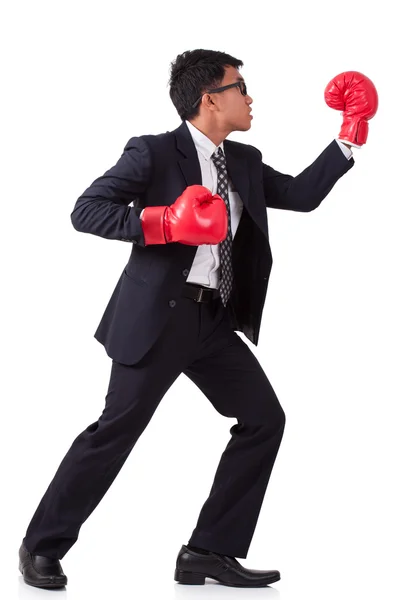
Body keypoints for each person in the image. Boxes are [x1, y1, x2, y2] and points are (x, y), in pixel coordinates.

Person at [18, 49, 378, 589]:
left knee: (263, 421)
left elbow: (302, 196)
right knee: (115, 431)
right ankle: (40, 546)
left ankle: (208, 550)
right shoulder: (154, 153)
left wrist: (349, 134)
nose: (250, 96)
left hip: (213, 321)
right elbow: (85, 209)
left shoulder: (247, 162)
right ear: (210, 98)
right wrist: (163, 221)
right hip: (159, 319)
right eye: (241, 86)